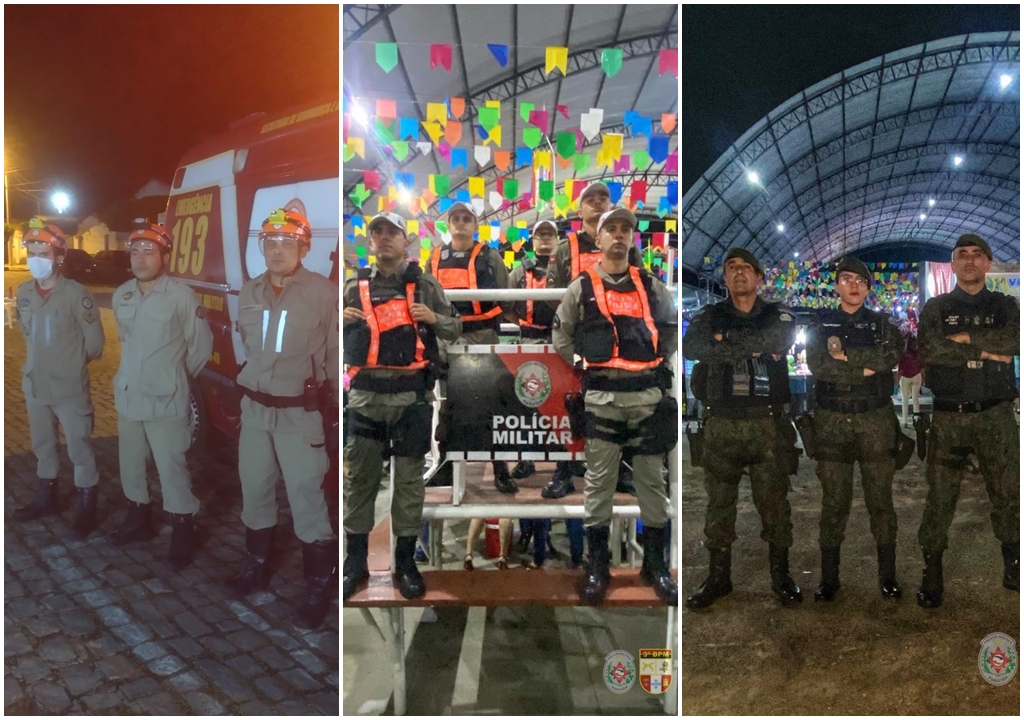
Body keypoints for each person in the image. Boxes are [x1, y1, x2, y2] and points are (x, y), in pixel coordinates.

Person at [551, 208, 678, 605]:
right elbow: (562, 333)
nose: (619, 236)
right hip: (603, 400)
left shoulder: (652, 286)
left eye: (626, 230)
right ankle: (597, 566)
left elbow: (670, 329)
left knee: (652, 487)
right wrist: (582, 365)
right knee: (598, 486)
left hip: (647, 400)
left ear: (632, 240)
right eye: (612, 229)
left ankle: (654, 565)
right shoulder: (581, 287)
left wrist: (653, 360)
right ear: (599, 238)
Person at [223, 209, 339, 628]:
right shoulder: (250, 291)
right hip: (254, 412)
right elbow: (248, 346)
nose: (277, 250)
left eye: (286, 242)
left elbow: (332, 353)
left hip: (298, 413)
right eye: (269, 242)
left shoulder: (323, 293)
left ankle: (318, 584)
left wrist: (330, 405)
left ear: (304, 247)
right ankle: (255, 565)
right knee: (254, 490)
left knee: (307, 498)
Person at [342, 212, 460, 600]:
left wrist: (435, 318)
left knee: (409, 485)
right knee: (359, 481)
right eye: (378, 232)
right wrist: (337, 319)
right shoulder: (351, 287)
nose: (384, 238)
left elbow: (455, 327)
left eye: (392, 232)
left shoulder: (424, 284)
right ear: (370, 241)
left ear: (405, 240)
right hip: (365, 397)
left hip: (411, 398)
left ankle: (406, 564)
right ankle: (353, 564)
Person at [682, 248, 801, 609]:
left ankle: (781, 577)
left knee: (774, 505)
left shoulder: (778, 314)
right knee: (718, 505)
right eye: (731, 268)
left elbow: (778, 340)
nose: (738, 273)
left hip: (768, 424)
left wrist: (724, 342)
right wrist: (747, 346)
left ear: (759, 277)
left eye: (746, 268)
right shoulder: (709, 315)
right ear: (724, 276)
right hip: (720, 424)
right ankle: (719, 578)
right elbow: (692, 346)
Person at [916, 233, 1019, 608]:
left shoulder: (1006, 305)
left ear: (988, 263)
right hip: (949, 417)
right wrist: (988, 350)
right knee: (940, 498)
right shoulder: (936, 308)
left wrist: (965, 341)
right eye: (963, 255)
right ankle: (932, 571)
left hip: (996, 415)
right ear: (954, 264)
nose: (971, 260)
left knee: (1008, 494)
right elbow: (930, 348)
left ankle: (1014, 561)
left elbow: (1015, 342)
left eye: (978, 254)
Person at [108, 221, 213, 572]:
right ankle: (139, 519)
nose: (140, 258)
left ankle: (183, 527)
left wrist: (176, 377)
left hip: (166, 397)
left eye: (148, 252)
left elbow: (200, 347)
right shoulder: (121, 293)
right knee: (131, 463)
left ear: (164, 256)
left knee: (172, 467)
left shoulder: (181, 297)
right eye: (135, 252)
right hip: (129, 395)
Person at [805, 257, 905, 601]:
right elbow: (819, 366)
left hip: (874, 419)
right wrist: (864, 368)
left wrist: (849, 360)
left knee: (881, 500)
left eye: (860, 280)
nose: (853, 285)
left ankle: (887, 576)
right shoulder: (820, 326)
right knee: (834, 502)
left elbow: (889, 357)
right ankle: (829, 578)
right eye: (846, 279)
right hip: (832, 420)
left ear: (868, 287)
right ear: (836, 286)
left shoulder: (882, 326)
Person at [547, 182, 642, 496]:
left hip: (619, 342)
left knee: (620, 406)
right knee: (567, 405)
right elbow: (550, 297)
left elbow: (640, 289)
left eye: (603, 197)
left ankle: (621, 471)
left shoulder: (628, 247)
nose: (598, 203)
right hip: (578, 339)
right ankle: (563, 472)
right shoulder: (565, 248)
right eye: (591, 199)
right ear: (579, 209)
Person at [13, 218, 105, 538]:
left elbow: (95, 344)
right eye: (32, 251)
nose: (36, 258)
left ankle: (87, 506)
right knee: (43, 445)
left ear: (60, 257)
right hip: (36, 383)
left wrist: (69, 364)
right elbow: (26, 332)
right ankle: (46, 498)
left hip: (68, 386)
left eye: (44, 252)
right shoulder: (24, 292)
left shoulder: (77, 294)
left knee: (79, 448)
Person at [897, 335, 923, 427]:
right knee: (916, 400)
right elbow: (922, 367)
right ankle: (917, 420)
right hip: (916, 376)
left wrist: (897, 383)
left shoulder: (903, 356)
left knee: (905, 400)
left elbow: (900, 370)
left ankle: (905, 422)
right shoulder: (918, 354)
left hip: (905, 378)